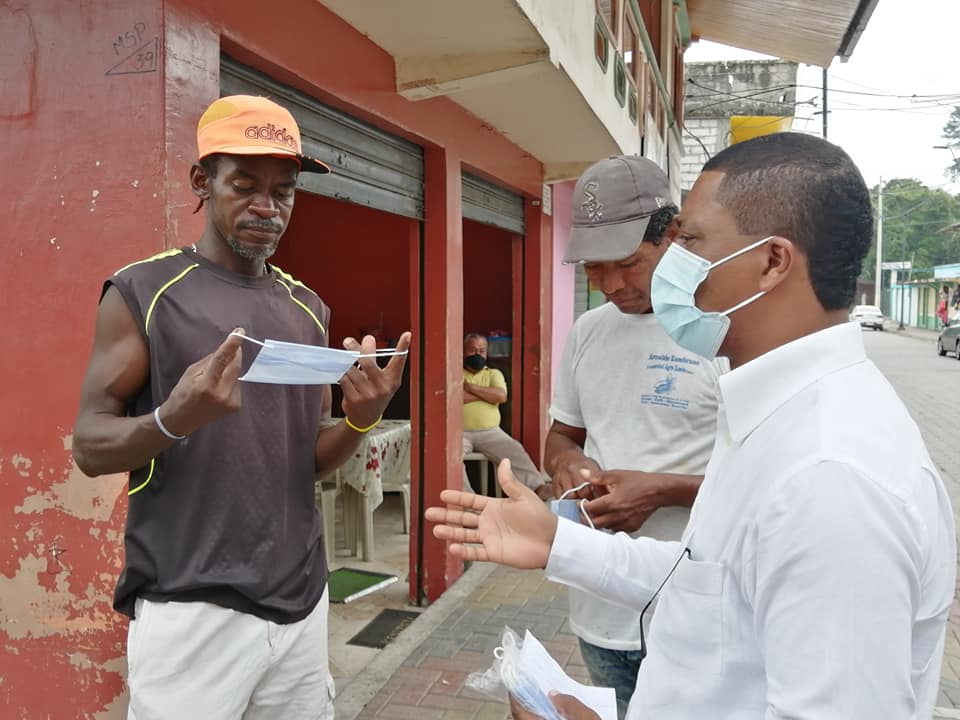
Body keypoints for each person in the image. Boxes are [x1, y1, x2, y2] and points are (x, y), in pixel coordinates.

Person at [427, 132, 956, 719]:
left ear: (771, 262)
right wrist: (558, 541)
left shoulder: (833, 478)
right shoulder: (773, 415)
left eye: (691, 241)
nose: (672, 266)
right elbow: (706, 578)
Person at [72, 94, 411, 720]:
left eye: (284, 191)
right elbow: (89, 447)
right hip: (191, 606)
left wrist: (360, 420)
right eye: (245, 185)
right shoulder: (144, 292)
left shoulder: (308, 309)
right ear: (202, 181)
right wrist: (173, 419)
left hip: (301, 600)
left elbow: (306, 461)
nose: (267, 206)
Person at [545, 155, 722, 718]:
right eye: (594, 269)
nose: (612, 286)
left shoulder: (722, 335)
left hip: (698, 615)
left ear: (672, 237)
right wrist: (568, 465)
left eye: (628, 263)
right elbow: (562, 435)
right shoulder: (588, 331)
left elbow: (767, 483)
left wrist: (663, 491)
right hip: (598, 608)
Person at [462, 333, 550, 499]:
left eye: (482, 351)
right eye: (473, 350)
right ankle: (468, 500)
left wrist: (471, 388)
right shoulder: (456, 373)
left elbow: (501, 396)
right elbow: (456, 397)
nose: (478, 354)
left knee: (515, 450)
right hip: (460, 433)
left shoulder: (494, 374)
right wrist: (487, 395)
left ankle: (538, 487)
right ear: (463, 352)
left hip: (491, 432)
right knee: (451, 459)